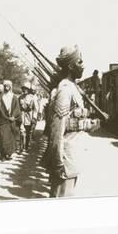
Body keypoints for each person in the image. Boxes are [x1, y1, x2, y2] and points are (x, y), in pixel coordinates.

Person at [45, 45, 99, 198]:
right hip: (65, 159)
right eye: (80, 62)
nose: (83, 65)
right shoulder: (65, 90)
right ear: (70, 66)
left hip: (73, 157)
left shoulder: (73, 88)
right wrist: (57, 161)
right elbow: (57, 130)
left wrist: (87, 125)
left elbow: (72, 121)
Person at [0, 80, 21, 160]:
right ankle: (2, 154)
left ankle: (8, 154)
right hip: (2, 120)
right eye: (5, 86)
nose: (6, 87)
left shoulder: (14, 97)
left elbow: (17, 109)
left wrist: (13, 116)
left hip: (11, 121)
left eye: (8, 86)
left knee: (10, 138)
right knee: (2, 138)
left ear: (10, 87)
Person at [18, 82, 37, 152]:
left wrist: (34, 118)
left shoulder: (32, 98)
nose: (24, 90)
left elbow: (35, 109)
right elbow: (18, 107)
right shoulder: (20, 97)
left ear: (29, 89)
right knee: (22, 131)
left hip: (29, 116)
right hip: (22, 115)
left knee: (29, 133)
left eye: (26, 89)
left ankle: (27, 146)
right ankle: (21, 147)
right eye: (24, 88)